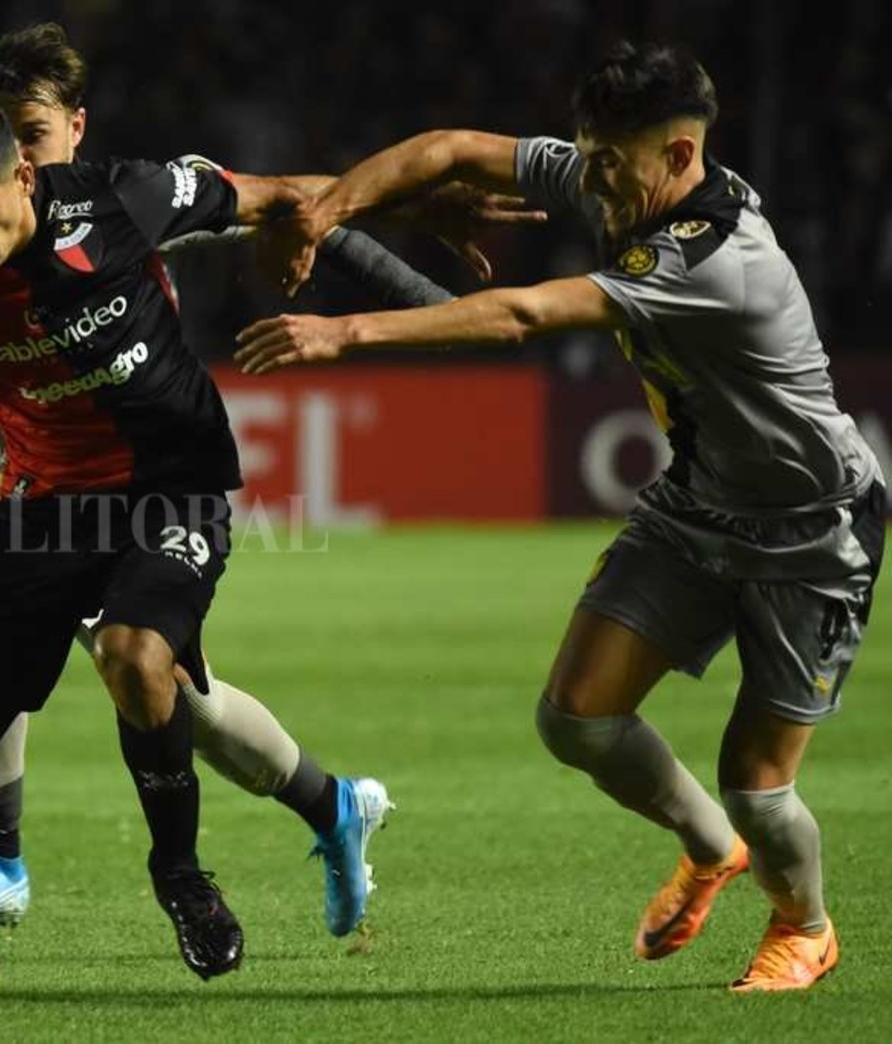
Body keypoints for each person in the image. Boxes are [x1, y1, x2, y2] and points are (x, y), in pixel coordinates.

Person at [237, 41, 884, 992]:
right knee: (575, 719)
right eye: (585, 154)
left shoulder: (715, 259)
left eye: (609, 163)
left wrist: (345, 329)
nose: (592, 178)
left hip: (811, 531)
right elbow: (454, 149)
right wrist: (326, 215)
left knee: (758, 781)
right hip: (697, 508)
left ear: (676, 157)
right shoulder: (619, 175)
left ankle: (805, 927)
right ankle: (708, 849)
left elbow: (525, 317)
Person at [0, 93, 342, 979]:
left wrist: (359, 208)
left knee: (134, 653)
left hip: (170, 488)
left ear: (23, 177)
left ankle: (179, 876)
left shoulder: (119, 199)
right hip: (46, 508)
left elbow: (274, 193)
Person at [0, 22, 406, 938]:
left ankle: (327, 805)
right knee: (6, 634)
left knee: (170, 692)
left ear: (74, 127)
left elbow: (280, 197)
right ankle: (4, 856)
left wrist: (357, 228)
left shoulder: (125, 198)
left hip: (144, 484)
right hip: (47, 488)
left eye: (28, 132)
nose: (10, 152)